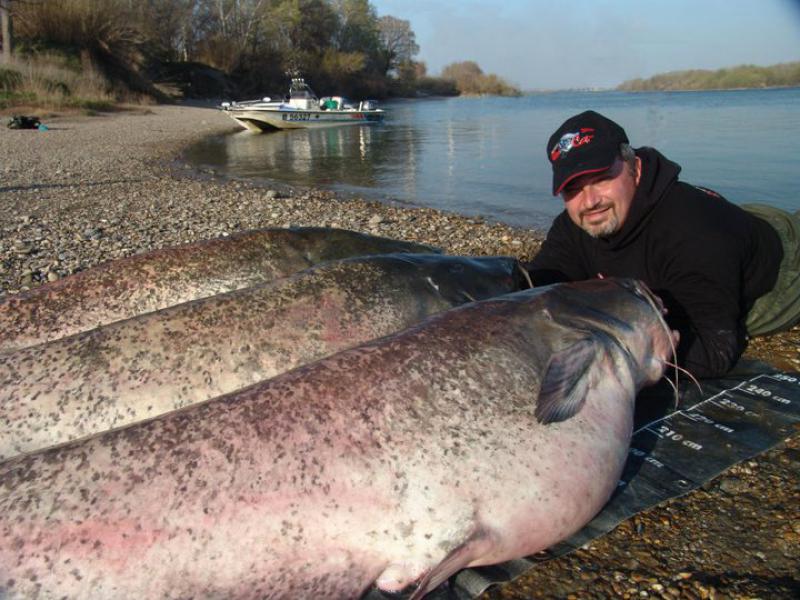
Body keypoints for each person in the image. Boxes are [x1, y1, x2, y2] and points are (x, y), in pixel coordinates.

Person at [526, 110, 800, 378]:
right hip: (735, 225)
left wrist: (622, 352)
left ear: (633, 166)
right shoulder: (574, 223)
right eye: (573, 188)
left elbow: (715, 350)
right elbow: (536, 287)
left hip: (784, 272)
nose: (590, 201)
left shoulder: (691, 234)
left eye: (601, 179)